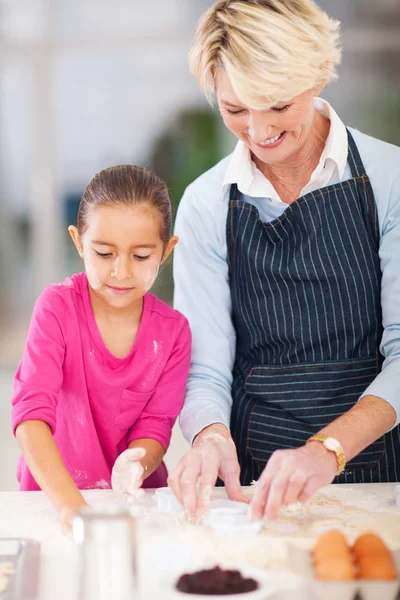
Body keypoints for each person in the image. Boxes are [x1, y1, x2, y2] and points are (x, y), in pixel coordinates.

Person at [169, 0, 400, 523]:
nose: (257, 129)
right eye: (235, 109)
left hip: (382, 475)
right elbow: (205, 367)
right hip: (253, 487)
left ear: (319, 74)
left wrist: (328, 449)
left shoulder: (390, 179)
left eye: (276, 104)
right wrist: (208, 437)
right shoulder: (206, 205)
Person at [11, 165, 191, 529]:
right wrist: (72, 510)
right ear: (79, 243)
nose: (121, 272)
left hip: (135, 505)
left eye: (141, 256)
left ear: (166, 251)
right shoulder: (57, 308)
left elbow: (155, 426)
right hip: (54, 500)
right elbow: (30, 416)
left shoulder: (174, 333)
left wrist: (137, 463)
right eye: (105, 253)